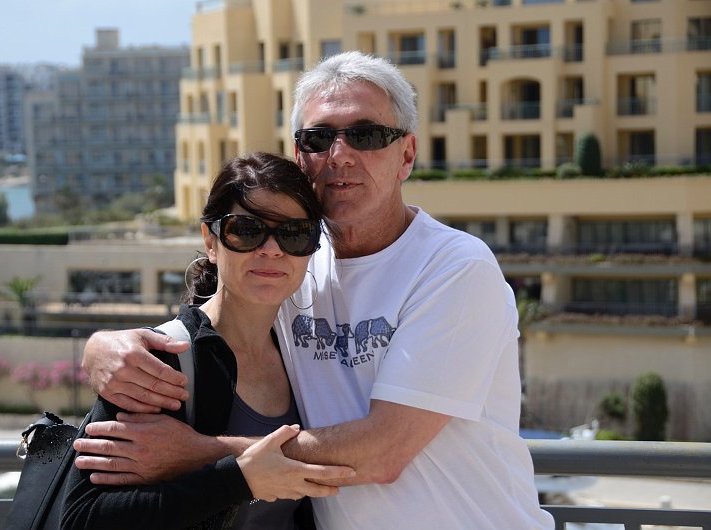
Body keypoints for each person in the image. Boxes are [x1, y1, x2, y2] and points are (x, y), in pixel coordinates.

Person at [77, 51, 555, 529]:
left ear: (407, 155)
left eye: (367, 135)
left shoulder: (454, 268)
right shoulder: (292, 256)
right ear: (300, 156)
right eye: (319, 138)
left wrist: (201, 453)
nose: (340, 154)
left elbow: (382, 453)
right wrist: (103, 346)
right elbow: (218, 317)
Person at [61, 152, 354, 529]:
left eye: (294, 234)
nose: (271, 249)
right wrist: (237, 479)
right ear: (211, 242)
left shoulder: (305, 350)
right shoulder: (162, 361)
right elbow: (82, 519)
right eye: (246, 230)